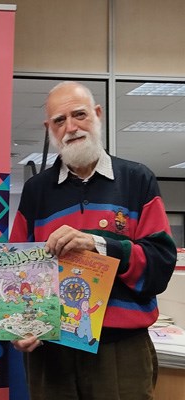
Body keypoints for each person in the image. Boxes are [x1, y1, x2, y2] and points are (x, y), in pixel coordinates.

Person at [10, 81, 177, 400]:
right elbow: (21, 268)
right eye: (59, 120)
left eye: (79, 114)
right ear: (49, 129)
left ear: (97, 114)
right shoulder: (36, 191)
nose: (71, 127)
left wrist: (98, 245)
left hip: (121, 351)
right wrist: (20, 327)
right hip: (51, 352)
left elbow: (160, 265)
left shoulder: (137, 180)